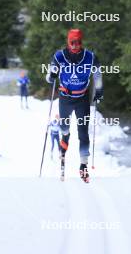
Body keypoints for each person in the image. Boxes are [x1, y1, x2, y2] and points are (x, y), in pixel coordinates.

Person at [46, 29, 103, 183]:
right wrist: (51, 75)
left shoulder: (90, 57)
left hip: (82, 98)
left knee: (83, 132)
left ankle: (83, 165)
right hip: (65, 98)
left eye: (78, 42)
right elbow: (50, 75)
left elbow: (97, 75)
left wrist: (99, 90)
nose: (75, 45)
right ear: (68, 42)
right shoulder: (59, 56)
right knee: (64, 128)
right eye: (72, 42)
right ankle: (65, 136)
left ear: (81, 42)